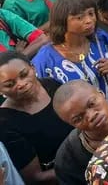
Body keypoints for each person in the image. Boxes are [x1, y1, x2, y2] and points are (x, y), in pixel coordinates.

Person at [32, 0, 108, 109]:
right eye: (79, 17)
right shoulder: (45, 59)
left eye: (91, 13)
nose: (89, 20)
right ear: (62, 21)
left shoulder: (100, 38)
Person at [0, 51, 74, 184]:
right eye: (10, 84)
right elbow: (34, 177)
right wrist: (81, 166)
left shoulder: (51, 85)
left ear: (33, 68)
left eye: (24, 75)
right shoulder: (5, 122)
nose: (21, 84)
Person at [52, 80, 108, 185]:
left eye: (92, 104)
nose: (92, 116)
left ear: (102, 94)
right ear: (71, 124)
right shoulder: (68, 158)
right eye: (78, 119)